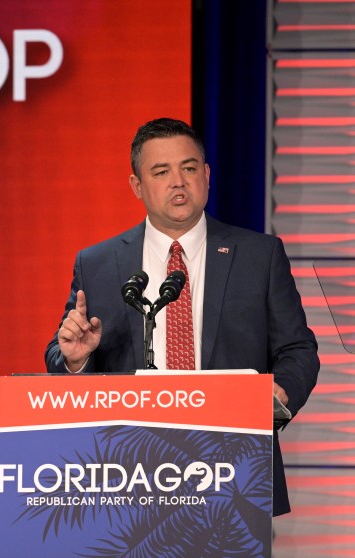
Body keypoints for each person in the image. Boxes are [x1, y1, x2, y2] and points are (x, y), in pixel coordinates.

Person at [44, 117, 319, 516]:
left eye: (189, 168)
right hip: (127, 474)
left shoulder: (259, 255)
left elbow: (298, 349)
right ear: (137, 186)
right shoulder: (98, 263)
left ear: (206, 175)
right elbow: (61, 353)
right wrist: (76, 359)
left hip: (234, 466)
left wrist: (278, 394)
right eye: (161, 171)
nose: (178, 181)